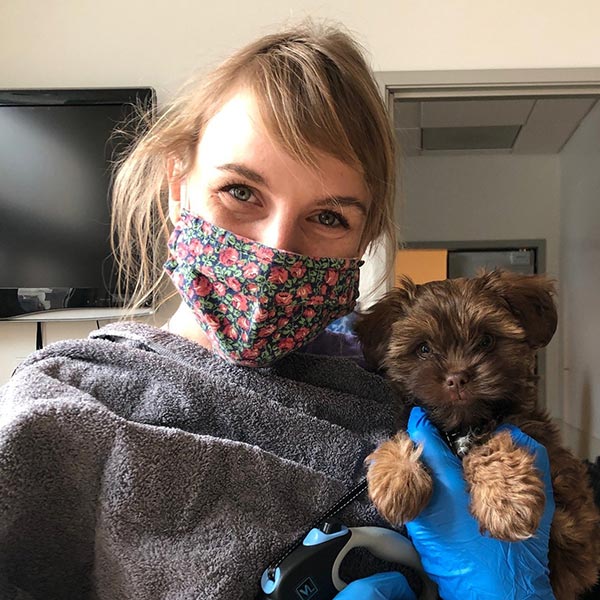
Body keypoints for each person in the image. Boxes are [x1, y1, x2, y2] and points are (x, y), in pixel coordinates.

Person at [0, 21, 556, 600]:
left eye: (329, 217)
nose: (274, 252)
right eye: (241, 191)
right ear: (176, 182)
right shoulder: (67, 405)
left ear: (363, 243)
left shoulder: (394, 393)